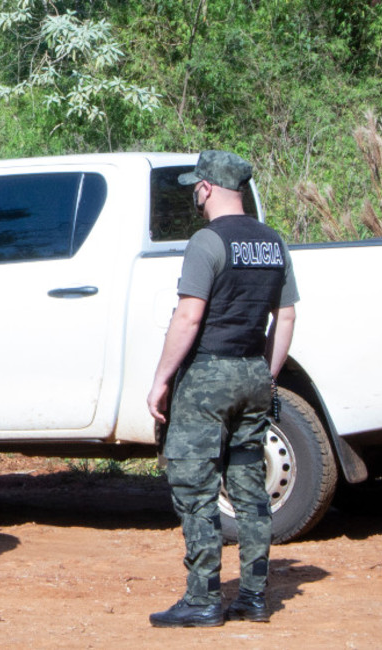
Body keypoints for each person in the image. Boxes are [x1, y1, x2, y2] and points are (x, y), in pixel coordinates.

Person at [146, 150, 298, 627]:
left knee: (195, 486)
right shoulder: (273, 242)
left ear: (207, 188)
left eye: (196, 185)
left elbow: (189, 316)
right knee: (250, 488)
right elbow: (287, 316)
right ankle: (253, 597)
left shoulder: (207, 241)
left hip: (209, 376)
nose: (195, 192)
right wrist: (266, 373)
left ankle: (203, 597)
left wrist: (161, 380)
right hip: (254, 370)